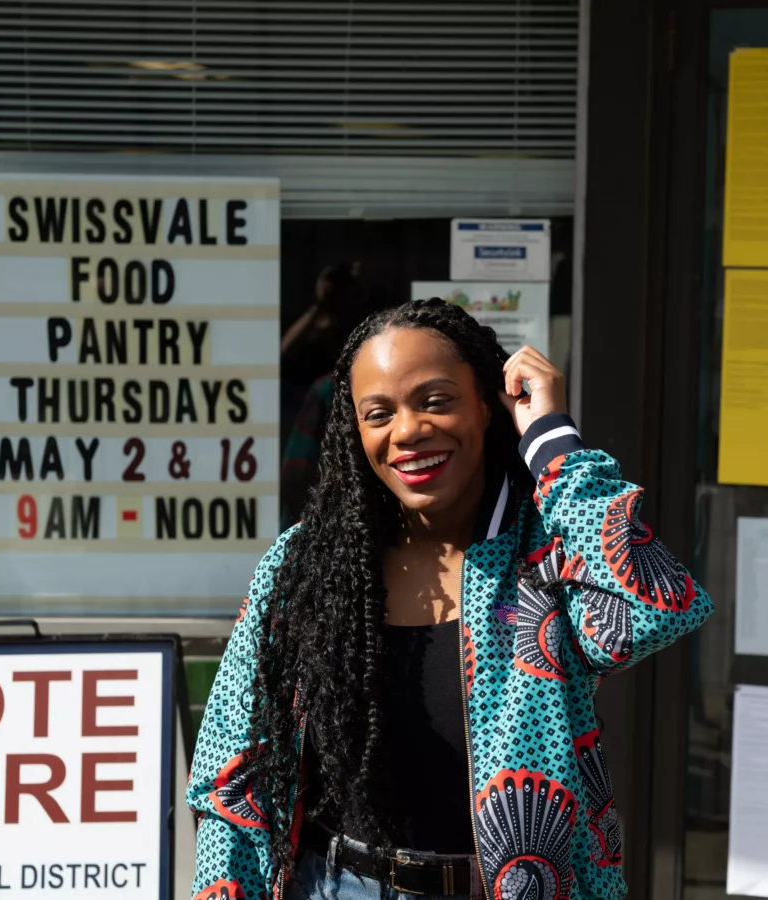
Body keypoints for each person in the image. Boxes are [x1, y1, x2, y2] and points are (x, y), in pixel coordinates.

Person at [188, 299, 713, 900]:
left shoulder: (543, 550)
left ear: (487, 404)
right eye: (378, 413)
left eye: (436, 400)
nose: (408, 430)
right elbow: (234, 774)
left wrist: (550, 441)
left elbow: (655, 608)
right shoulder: (305, 565)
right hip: (334, 885)